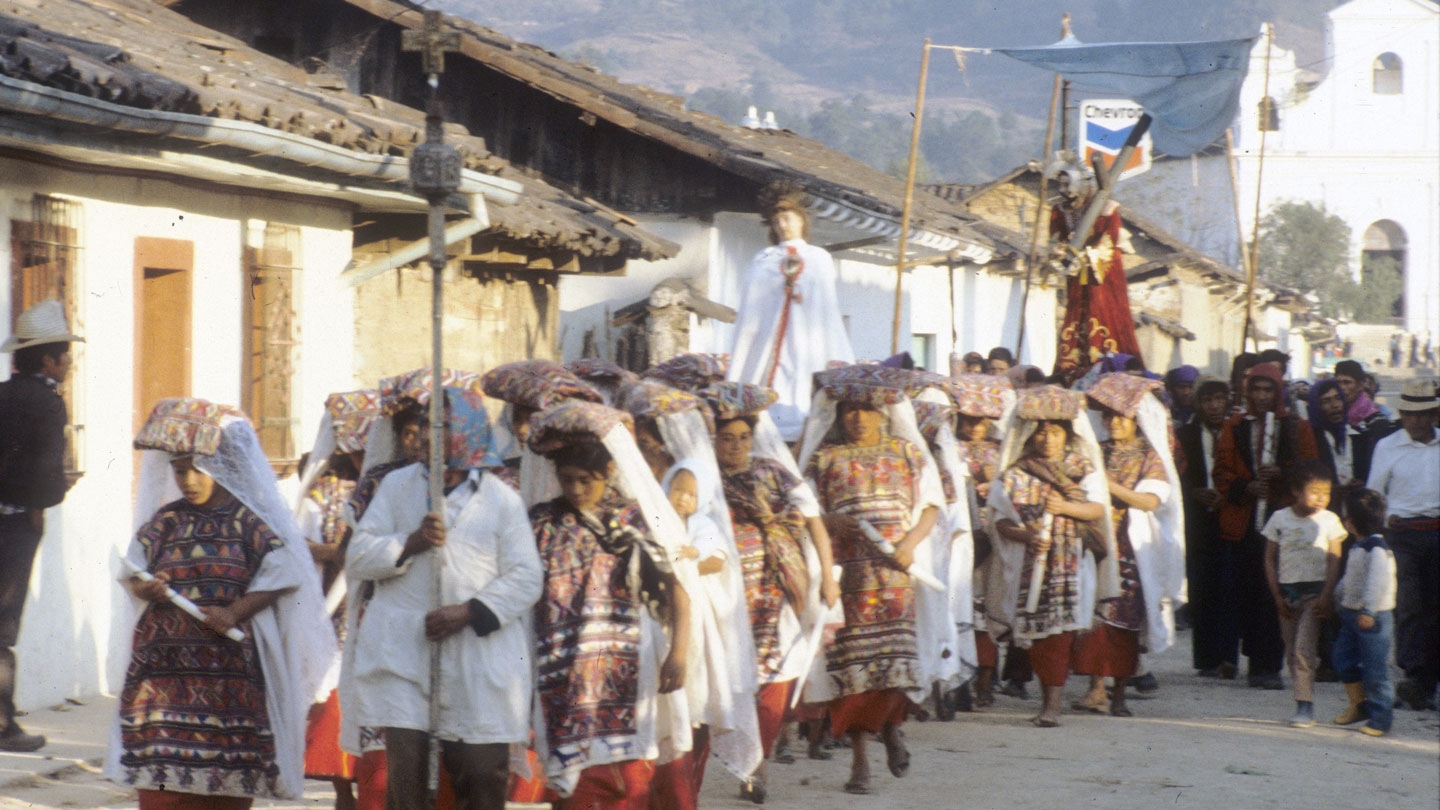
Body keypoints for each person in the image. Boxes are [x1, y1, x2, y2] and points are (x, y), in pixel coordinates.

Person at [110, 398, 334, 808]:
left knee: (226, 785)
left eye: (198, 469)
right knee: (162, 788)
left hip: (229, 679)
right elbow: (133, 572)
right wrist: (150, 589)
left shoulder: (250, 522)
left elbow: (285, 572)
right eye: (180, 470)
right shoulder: (164, 522)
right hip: (163, 679)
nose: (188, 480)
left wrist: (235, 611)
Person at [347, 386, 541, 810]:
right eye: (428, 425)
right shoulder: (397, 486)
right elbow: (359, 556)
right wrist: (411, 542)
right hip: (407, 653)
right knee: (408, 778)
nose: (430, 434)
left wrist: (469, 611)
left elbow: (527, 577)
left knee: (481, 774)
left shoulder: (501, 500)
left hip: (479, 657)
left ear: (470, 430)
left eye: (445, 425)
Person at [526, 401, 694, 808]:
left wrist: (680, 652)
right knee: (567, 773)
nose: (577, 489)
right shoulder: (543, 522)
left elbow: (676, 585)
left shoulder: (634, 520)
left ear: (608, 474)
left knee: (627, 773)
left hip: (625, 662)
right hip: (561, 664)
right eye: (567, 479)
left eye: (587, 480)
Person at [797, 368, 943, 795]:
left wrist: (911, 544)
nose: (858, 417)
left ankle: (893, 730)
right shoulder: (823, 458)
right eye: (849, 409)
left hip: (895, 574)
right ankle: (860, 760)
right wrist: (829, 519)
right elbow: (801, 510)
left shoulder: (908, 454)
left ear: (883, 412)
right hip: (848, 577)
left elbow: (932, 505)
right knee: (853, 668)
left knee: (895, 662)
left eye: (866, 409)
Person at [703, 381, 837, 802]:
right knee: (727, 678)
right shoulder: (700, 477)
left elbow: (813, 519)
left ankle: (758, 766)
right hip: (722, 593)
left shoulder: (773, 471)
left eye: (743, 438)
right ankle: (741, 763)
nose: (735, 446)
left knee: (774, 678)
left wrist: (828, 577)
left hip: (774, 587)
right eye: (727, 438)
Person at [987, 385, 1115, 728]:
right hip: (1029, 562)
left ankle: (1053, 705)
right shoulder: (1016, 472)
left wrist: (1065, 507)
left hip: (1070, 562)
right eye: (1041, 431)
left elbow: (1096, 509)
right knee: (1037, 634)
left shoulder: (1081, 467)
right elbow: (998, 520)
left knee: (1059, 634)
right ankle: (1048, 699)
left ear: (1067, 434)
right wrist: (1025, 536)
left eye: (1055, 432)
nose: (1047, 438)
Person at [1072, 374, 1183, 718]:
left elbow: (1149, 501)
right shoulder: (1097, 452)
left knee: (1124, 625)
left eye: (1120, 416)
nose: (1113, 422)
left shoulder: (1151, 457)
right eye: (1107, 416)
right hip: (1098, 543)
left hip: (1132, 548)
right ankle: (1095, 689)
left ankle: (1118, 693)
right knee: (1096, 618)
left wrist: (1107, 486)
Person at [0, 300, 82, 752]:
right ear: (47, 360)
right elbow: (45, 476)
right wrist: (48, 501)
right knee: (3, 628)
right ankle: (1, 724)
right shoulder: (49, 403)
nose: (68, 362)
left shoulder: (1, 394)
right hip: (16, 525)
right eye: (64, 355)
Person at [1211, 365, 1319, 689]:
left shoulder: (1297, 427)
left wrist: (1283, 477)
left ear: (1278, 392)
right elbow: (1221, 472)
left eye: (1267, 390)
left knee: (1275, 591)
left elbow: (1312, 468)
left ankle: (1268, 665)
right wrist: (1246, 487)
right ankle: (1253, 657)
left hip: (1285, 518)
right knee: (1247, 590)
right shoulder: (1234, 426)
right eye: (1255, 390)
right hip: (1247, 522)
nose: (1261, 396)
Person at [726, 185, 854, 441]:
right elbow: (753, 307)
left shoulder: (819, 258)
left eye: (788, 218)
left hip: (809, 341)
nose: (782, 225)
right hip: (768, 341)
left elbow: (826, 308)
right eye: (776, 221)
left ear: (801, 220)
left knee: (805, 380)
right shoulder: (763, 259)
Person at [1365, 378, 1439, 711]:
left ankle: (1427, 683)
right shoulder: (1387, 446)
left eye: (1424, 414)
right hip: (1402, 534)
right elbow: (1375, 495)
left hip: (1437, 532)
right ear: (1402, 414)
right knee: (1408, 605)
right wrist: (1387, 518)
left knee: (1435, 611)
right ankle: (1413, 673)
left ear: (1435, 414)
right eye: (1410, 414)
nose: (1417, 421)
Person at [1261, 461, 1346, 728]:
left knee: (1303, 648)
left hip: (1315, 593)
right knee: (1291, 649)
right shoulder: (1280, 518)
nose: (1321, 498)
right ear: (1296, 491)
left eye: (1326, 492)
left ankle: (1305, 706)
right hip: (1288, 593)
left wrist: (1327, 593)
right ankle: (1301, 696)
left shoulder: (1330, 520)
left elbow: (1334, 559)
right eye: (1314, 491)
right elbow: (1269, 559)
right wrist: (1276, 596)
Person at [1046, 156, 1142, 382]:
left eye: (1067, 184)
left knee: (1101, 313)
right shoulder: (1060, 211)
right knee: (1076, 316)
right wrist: (1057, 251)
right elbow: (1054, 239)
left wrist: (1083, 255)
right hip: (1076, 276)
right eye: (1060, 185)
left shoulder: (1105, 208)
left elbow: (1108, 244)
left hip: (1102, 276)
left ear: (1080, 182)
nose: (1063, 190)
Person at [1178, 379, 1235, 678]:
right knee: (1202, 587)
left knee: (1230, 586)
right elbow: (1176, 476)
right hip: (1198, 521)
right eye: (1207, 400)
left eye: (1219, 399)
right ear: (1197, 404)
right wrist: (1195, 493)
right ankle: (1206, 658)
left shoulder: (1238, 431)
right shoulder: (1184, 435)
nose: (1213, 406)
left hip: (1231, 516)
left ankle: (1229, 657)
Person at [1331, 488, 1397, 736]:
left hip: (1374, 618)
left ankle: (1381, 719)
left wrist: (1369, 610)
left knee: (1375, 669)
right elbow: (1351, 578)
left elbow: (1376, 582)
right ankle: (1359, 705)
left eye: (1348, 516)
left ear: (1354, 522)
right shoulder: (1358, 547)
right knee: (1342, 659)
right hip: (1350, 615)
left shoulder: (1377, 549)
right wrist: (1337, 595)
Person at [1332, 360, 1388, 434]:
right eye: (1338, 382)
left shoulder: (1377, 420)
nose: (1341, 387)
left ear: (1360, 385)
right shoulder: (1332, 417)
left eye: (1347, 382)